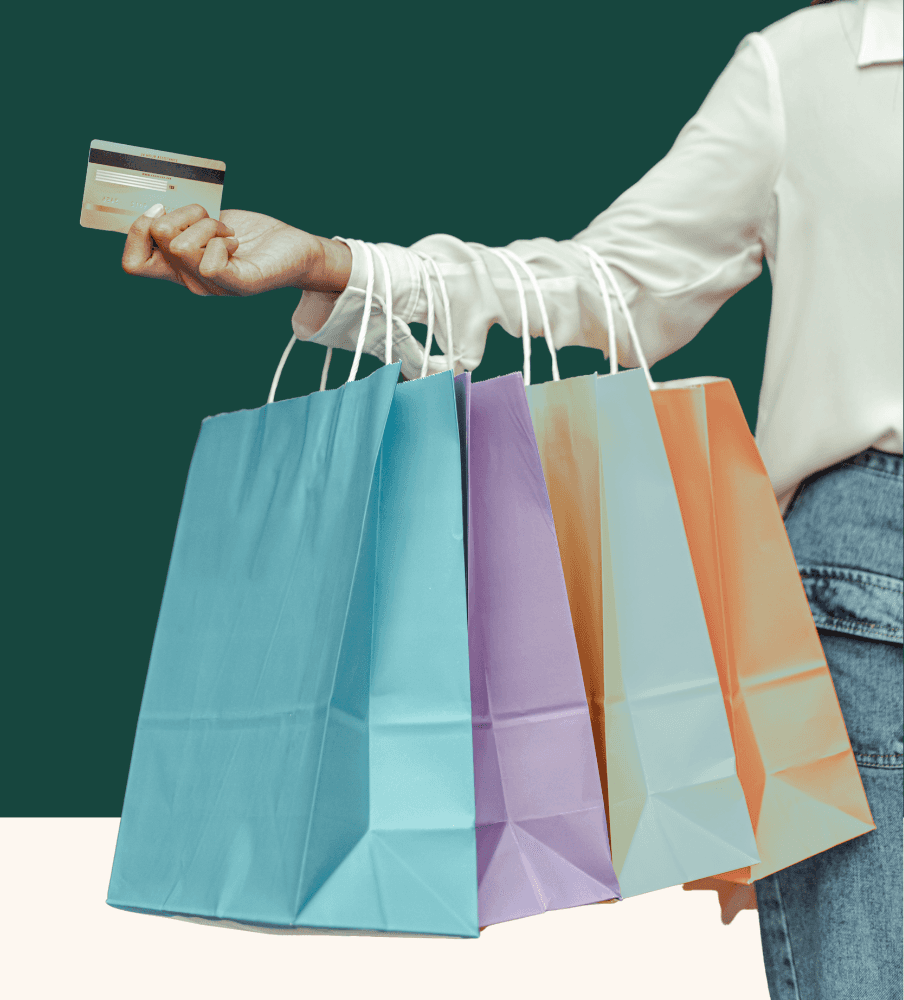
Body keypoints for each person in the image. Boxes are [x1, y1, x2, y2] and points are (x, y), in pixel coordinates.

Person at [119, 1, 902, 996]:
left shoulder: (832, 58)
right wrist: (339, 265)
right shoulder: (816, 63)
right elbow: (611, 281)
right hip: (872, 582)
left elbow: (610, 283)